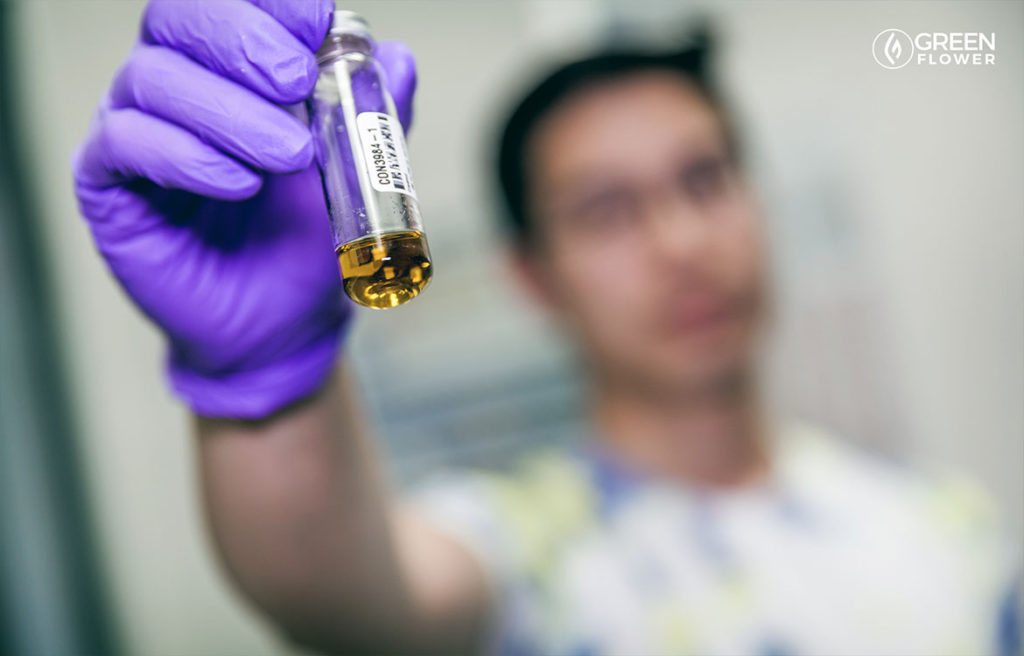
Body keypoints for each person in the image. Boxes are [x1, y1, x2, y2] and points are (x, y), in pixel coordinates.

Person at [72, 1, 1019, 654]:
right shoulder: (519, 550)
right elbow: (334, 587)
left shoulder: (945, 529)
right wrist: (266, 379)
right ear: (533, 274)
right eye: (607, 211)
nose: (683, 243)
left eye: (704, 180)